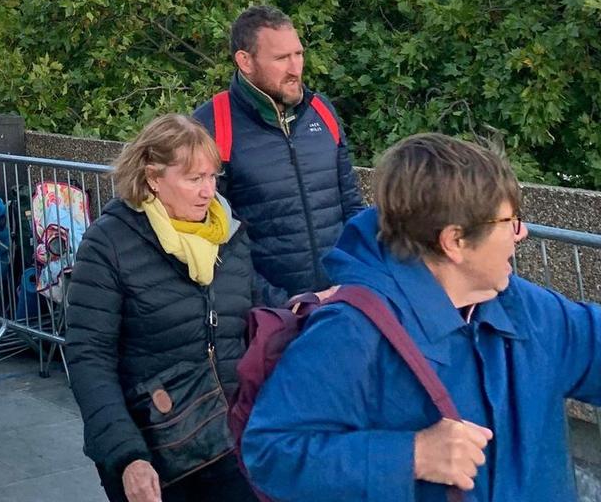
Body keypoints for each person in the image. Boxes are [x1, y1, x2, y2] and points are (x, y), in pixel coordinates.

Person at [241, 133, 601, 502]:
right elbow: (270, 453)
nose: (520, 234)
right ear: (455, 242)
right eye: (509, 220)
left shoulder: (521, 306)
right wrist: (411, 455)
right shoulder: (352, 330)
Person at [65, 114, 264, 502]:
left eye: (212, 177)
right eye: (194, 179)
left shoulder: (229, 236)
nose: (208, 191)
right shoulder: (109, 243)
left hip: (230, 441)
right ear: (153, 178)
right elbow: (89, 356)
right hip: (153, 449)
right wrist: (127, 456)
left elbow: (251, 316)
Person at [192, 5, 363, 297]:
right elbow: (209, 237)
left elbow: (352, 206)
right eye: (282, 58)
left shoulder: (321, 111)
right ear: (245, 61)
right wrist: (279, 303)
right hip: (269, 315)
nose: (296, 68)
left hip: (340, 299)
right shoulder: (212, 125)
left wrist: (357, 280)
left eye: (298, 54)